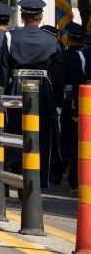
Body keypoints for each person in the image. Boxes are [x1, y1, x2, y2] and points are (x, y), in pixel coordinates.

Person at [3, 0, 60, 189]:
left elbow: (4, 69)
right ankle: (39, 179)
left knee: (15, 130)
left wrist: (3, 93)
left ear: (22, 16)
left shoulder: (10, 37)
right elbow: (57, 73)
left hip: (17, 88)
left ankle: (16, 167)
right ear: (41, 16)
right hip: (43, 90)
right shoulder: (52, 40)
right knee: (42, 136)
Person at [52, 22, 87, 189]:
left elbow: (58, 79)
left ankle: (59, 171)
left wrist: (58, 99)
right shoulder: (84, 56)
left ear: (69, 38)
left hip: (65, 101)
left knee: (62, 139)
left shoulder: (62, 55)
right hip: (80, 102)